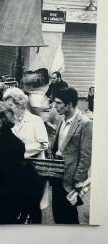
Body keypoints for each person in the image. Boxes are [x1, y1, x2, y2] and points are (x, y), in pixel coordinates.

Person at [3, 87, 49, 223]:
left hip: (34, 172)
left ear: (20, 104)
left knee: (33, 208)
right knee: (18, 207)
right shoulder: (10, 123)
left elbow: (44, 144)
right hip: (16, 171)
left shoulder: (35, 121)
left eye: (10, 105)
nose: (8, 109)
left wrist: (20, 151)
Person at [51, 87, 92, 224]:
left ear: (69, 104)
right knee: (57, 213)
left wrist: (78, 180)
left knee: (69, 217)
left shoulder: (85, 123)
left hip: (71, 179)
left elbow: (86, 155)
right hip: (57, 175)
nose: (54, 106)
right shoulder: (60, 119)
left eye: (58, 103)